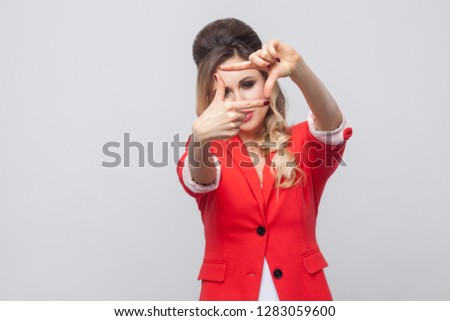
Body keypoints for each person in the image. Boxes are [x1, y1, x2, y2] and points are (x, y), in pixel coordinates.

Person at [176, 18, 353, 301]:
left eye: (247, 84)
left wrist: (299, 69)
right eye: (223, 93)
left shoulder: (301, 144)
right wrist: (199, 138)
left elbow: (331, 125)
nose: (239, 102)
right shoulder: (206, 152)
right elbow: (200, 177)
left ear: (268, 82)